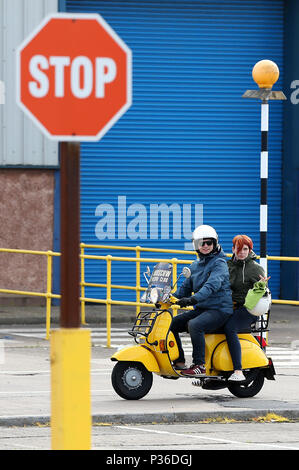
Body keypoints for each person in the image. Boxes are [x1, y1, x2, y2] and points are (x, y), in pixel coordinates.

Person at [170, 225, 233, 377]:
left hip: (219, 309)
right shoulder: (195, 265)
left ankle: (200, 365)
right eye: (201, 243)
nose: (205, 246)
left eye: (209, 243)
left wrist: (192, 299)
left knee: (195, 325)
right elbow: (183, 289)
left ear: (215, 243)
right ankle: (178, 360)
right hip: (203, 309)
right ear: (196, 245)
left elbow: (211, 286)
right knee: (171, 323)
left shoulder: (220, 263)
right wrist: (166, 297)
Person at [223, 234, 269, 382]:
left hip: (249, 309)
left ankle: (238, 370)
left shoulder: (255, 269)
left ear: (250, 250)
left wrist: (261, 285)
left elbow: (262, 292)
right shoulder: (228, 266)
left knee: (230, 328)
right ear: (233, 249)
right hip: (231, 307)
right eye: (238, 248)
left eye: (245, 249)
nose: (241, 252)